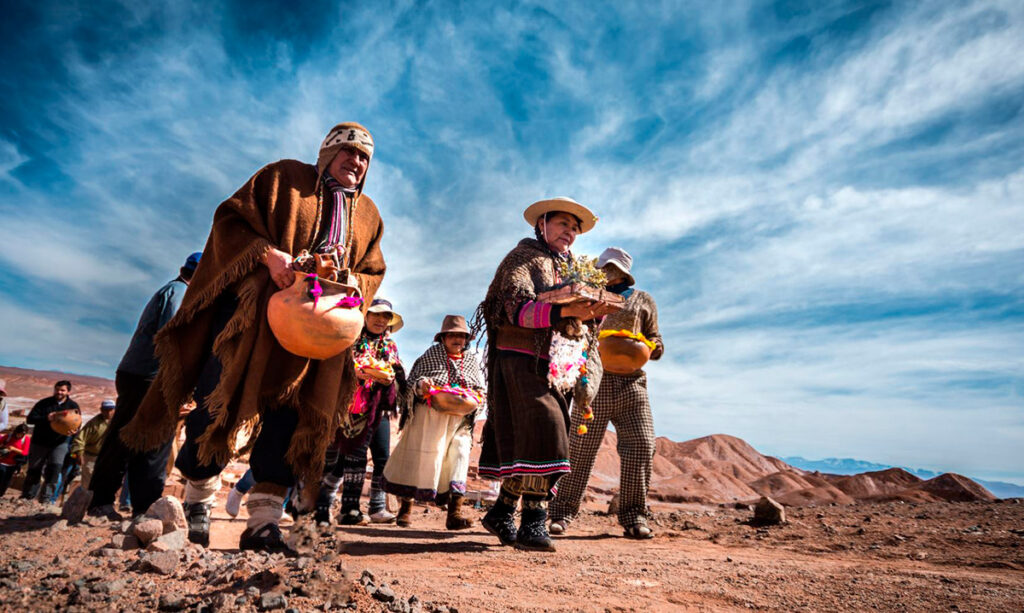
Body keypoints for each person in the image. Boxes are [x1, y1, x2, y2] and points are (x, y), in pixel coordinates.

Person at [121, 122, 386, 553]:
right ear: (326, 153)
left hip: (314, 336)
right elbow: (230, 220)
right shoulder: (282, 178)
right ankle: (198, 503)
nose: (356, 161)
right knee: (217, 403)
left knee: (289, 418)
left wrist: (347, 280)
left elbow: (373, 272)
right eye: (349, 150)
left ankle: (263, 522)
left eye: (364, 157)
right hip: (252, 319)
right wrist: (269, 255)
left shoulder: (369, 215)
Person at [475, 197, 614, 552]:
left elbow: (579, 319)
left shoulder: (575, 271)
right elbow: (512, 308)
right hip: (519, 357)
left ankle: (502, 511)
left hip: (556, 363)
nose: (569, 231)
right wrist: (560, 311)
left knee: (534, 436)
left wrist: (591, 312)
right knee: (547, 428)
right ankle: (534, 521)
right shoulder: (522, 259)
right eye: (562, 223)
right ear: (542, 224)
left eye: (574, 227)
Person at [67, 253, 201, 521]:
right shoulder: (178, 293)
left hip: (141, 374)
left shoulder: (174, 291)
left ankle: (136, 505)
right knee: (146, 438)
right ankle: (114, 502)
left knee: (140, 439)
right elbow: (172, 339)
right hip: (148, 377)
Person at [549, 247, 664, 539]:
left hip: (632, 382)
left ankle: (634, 515)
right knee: (580, 447)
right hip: (593, 380)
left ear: (624, 271)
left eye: (613, 268)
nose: (608, 272)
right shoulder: (587, 296)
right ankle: (561, 513)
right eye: (604, 267)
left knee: (641, 443)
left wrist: (652, 347)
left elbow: (655, 338)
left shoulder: (643, 300)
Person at [382, 314, 484, 530]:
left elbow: (479, 389)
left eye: (462, 336)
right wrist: (423, 386)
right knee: (420, 459)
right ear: (443, 338)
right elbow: (412, 386)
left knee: (460, 456)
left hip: (459, 421)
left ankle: (454, 514)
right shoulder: (430, 356)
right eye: (453, 335)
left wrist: (476, 397)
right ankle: (405, 510)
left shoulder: (471, 362)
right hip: (428, 419)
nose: (458, 340)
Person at [315, 298, 406, 526]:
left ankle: (365, 508)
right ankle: (328, 508)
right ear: (365, 316)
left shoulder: (390, 346)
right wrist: (356, 372)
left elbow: (396, 372)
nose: (380, 320)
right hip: (346, 406)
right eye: (375, 314)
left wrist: (390, 376)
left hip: (377, 409)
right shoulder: (351, 338)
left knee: (379, 457)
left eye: (385, 316)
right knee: (337, 458)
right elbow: (337, 365)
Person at [21, 381, 80, 502]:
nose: (59, 392)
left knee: (54, 470)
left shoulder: (73, 406)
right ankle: (28, 496)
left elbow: (77, 424)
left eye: (62, 390)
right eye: (57, 389)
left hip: (60, 443)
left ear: (68, 392)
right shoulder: (44, 403)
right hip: (40, 442)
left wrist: (74, 432)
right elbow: (30, 419)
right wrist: (46, 418)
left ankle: (46, 499)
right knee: (34, 469)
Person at [69, 400, 116, 489]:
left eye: (111, 409)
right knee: (88, 482)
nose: (108, 412)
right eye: (106, 410)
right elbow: (80, 439)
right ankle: (86, 500)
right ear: (101, 410)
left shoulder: (118, 422)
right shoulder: (93, 424)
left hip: (109, 457)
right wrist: (78, 454)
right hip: (91, 457)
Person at [0, 424, 31, 496]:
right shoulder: (8, 436)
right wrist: (5, 447)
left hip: (13, 464)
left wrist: (14, 449)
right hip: (2, 461)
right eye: (18, 433)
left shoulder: (26, 439)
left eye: (22, 434)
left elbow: (25, 452)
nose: (19, 435)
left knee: (6, 480)